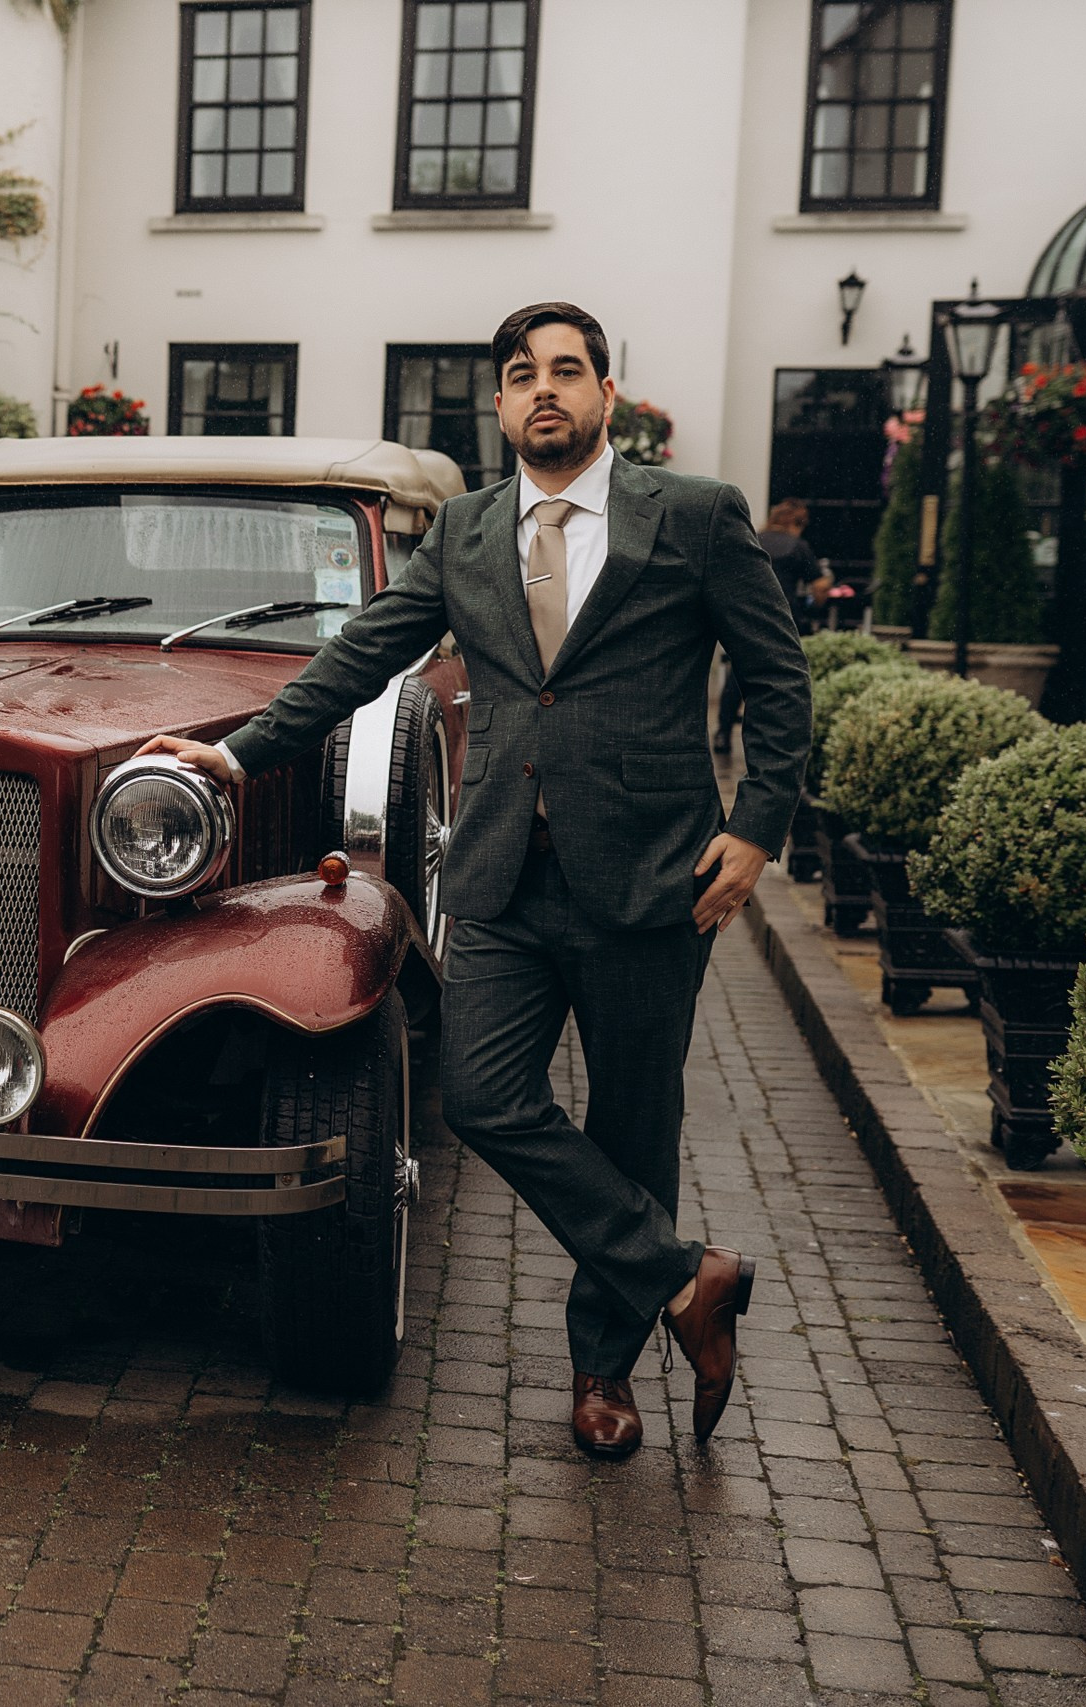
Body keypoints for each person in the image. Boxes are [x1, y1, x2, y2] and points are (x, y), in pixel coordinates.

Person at [144, 303, 811, 1458]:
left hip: (657, 878)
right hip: (504, 872)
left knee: (634, 1130)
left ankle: (601, 1373)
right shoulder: (462, 530)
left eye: (566, 370)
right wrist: (241, 749)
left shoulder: (695, 517)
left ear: (607, 394)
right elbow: (362, 652)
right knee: (483, 1099)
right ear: (497, 406)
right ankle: (683, 1278)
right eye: (521, 375)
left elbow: (780, 679)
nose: (543, 390)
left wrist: (755, 831)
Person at [716, 499, 831, 754]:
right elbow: (821, 586)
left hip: (746, 619)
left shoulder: (753, 539)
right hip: (784, 620)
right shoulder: (798, 546)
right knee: (781, 680)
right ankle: (773, 743)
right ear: (798, 523)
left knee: (738, 677)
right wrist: (815, 607)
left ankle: (723, 733)